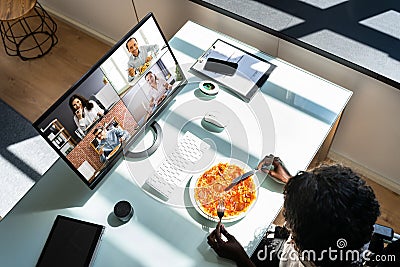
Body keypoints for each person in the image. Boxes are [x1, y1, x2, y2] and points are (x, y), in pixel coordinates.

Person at [207, 156, 382, 267]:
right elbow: (334, 204)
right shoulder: (359, 220)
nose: (287, 225)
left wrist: (240, 258)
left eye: (291, 226)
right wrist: (294, 184)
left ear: (298, 245)